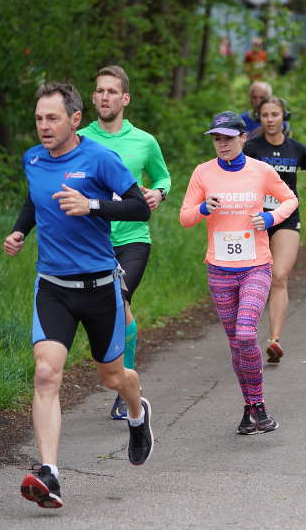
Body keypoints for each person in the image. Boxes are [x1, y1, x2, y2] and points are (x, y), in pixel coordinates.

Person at [9, 82, 153, 509]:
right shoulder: (33, 159)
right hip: (53, 286)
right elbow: (35, 200)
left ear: (74, 119)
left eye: (52, 118)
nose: (43, 126)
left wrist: (91, 205)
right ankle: (49, 473)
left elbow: (139, 207)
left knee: (112, 377)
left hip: (98, 288)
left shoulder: (99, 158)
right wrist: (20, 230)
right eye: (38, 118)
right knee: (46, 374)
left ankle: (137, 411)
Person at [180, 111, 298, 434]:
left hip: (256, 266)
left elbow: (290, 199)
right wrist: (204, 209)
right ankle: (251, 409)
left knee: (246, 333)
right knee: (236, 343)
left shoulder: (261, 171)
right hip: (219, 269)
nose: (222, 144)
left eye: (228, 138)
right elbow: (185, 217)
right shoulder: (203, 173)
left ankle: (258, 402)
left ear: (243, 139)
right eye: (217, 139)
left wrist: (271, 219)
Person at [78, 65, 171, 420]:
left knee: (120, 299)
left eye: (111, 91)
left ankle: (124, 386)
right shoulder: (81, 139)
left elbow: (163, 175)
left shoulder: (144, 141)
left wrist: (159, 193)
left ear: (125, 98)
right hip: (93, 240)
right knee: (106, 311)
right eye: (99, 91)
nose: (104, 97)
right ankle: (125, 380)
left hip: (133, 239)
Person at [243, 98, 306, 363]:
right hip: (255, 220)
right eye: (265, 115)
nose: (270, 119)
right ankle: (245, 336)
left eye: (275, 114)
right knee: (251, 278)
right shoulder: (251, 147)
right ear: (259, 118)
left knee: (279, 276)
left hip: (286, 218)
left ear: (283, 117)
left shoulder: (296, 148)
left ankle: (274, 340)